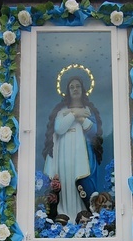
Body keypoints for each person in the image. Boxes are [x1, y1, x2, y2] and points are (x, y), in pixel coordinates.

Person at [42, 75, 103, 219]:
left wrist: (81, 118)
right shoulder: (61, 110)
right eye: (72, 87)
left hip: (82, 154)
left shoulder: (88, 109)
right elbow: (59, 128)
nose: (75, 89)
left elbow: (95, 132)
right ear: (67, 91)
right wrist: (75, 113)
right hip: (63, 153)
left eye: (78, 86)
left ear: (83, 89)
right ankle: (64, 215)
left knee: (81, 181)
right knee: (66, 181)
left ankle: (82, 214)